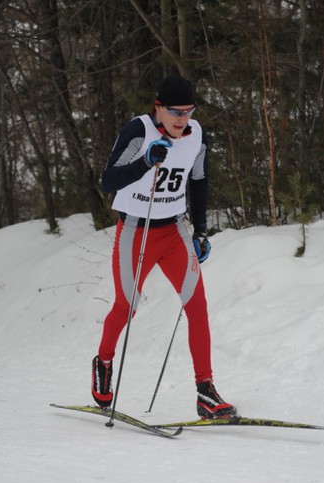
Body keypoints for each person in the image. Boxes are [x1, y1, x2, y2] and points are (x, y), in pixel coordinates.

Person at [91, 75, 237, 419]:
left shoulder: (197, 135)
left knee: (197, 306)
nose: (182, 119)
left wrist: (200, 232)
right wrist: (144, 162)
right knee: (126, 306)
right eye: (175, 111)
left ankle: (206, 391)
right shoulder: (139, 131)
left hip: (173, 230)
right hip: (135, 230)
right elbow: (108, 179)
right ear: (158, 108)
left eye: (188, 111)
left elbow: (199, 181)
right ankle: (104, 360)